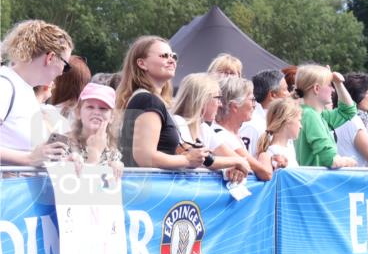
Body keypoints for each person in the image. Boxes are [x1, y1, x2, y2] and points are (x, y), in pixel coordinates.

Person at [116, 36, 207, 170]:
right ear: (142, 63)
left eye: (173, 56)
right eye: (164, 56)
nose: (172, 60)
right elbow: (145, 157)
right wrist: (187, 159)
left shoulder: (147, 99)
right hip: (146, 182)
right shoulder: (148, 101)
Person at [0, 20, 76, 166]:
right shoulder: (5, 85)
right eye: (65, 65)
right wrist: (29, 159)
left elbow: (31, 153)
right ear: (50, 58)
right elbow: (30, 157)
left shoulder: (25, 90)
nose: (62, 72)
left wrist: (62, 161)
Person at [170, 72, 251, 183]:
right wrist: (236, 162)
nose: (220, 104)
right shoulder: (178, 122)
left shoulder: (204, 128)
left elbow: (240, 161)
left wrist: (235, 167)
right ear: (202, 99)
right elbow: (196, 158)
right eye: (217, 98)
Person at [293, 64, 358, 169]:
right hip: (315, 178)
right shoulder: (311, 116)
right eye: (329, 85)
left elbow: (348, 111)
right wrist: (348, 161)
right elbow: (331, 160)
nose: (333, 90)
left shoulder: (314, 114)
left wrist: (338, 83)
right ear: (316, 88)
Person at [213, 74, 274, 181]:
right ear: (235, 106)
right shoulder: (224, 136)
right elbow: (265, 173)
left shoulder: (229, 134)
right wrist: (265, 155)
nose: (255, 105)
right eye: (252, 100)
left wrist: (274, 160)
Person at [65, 82, 123, 179]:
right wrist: (94, 154)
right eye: (90, 107)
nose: (96, 112)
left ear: (112, 117)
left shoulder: (112, 151)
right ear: (78, 112)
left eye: (103, 108)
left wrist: (117, 169)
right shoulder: (63, 144)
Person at [240, 69, 290, 157]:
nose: (289, 94)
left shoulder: (280, 122)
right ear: (273, 95)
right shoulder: (252, 126)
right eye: (285, 89)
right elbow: (245, 160)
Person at [255, 98, 302, 170]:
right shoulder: (273, 154)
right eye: (299, 120)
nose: (300, 126)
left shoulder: (289, 148)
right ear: (287, 121)